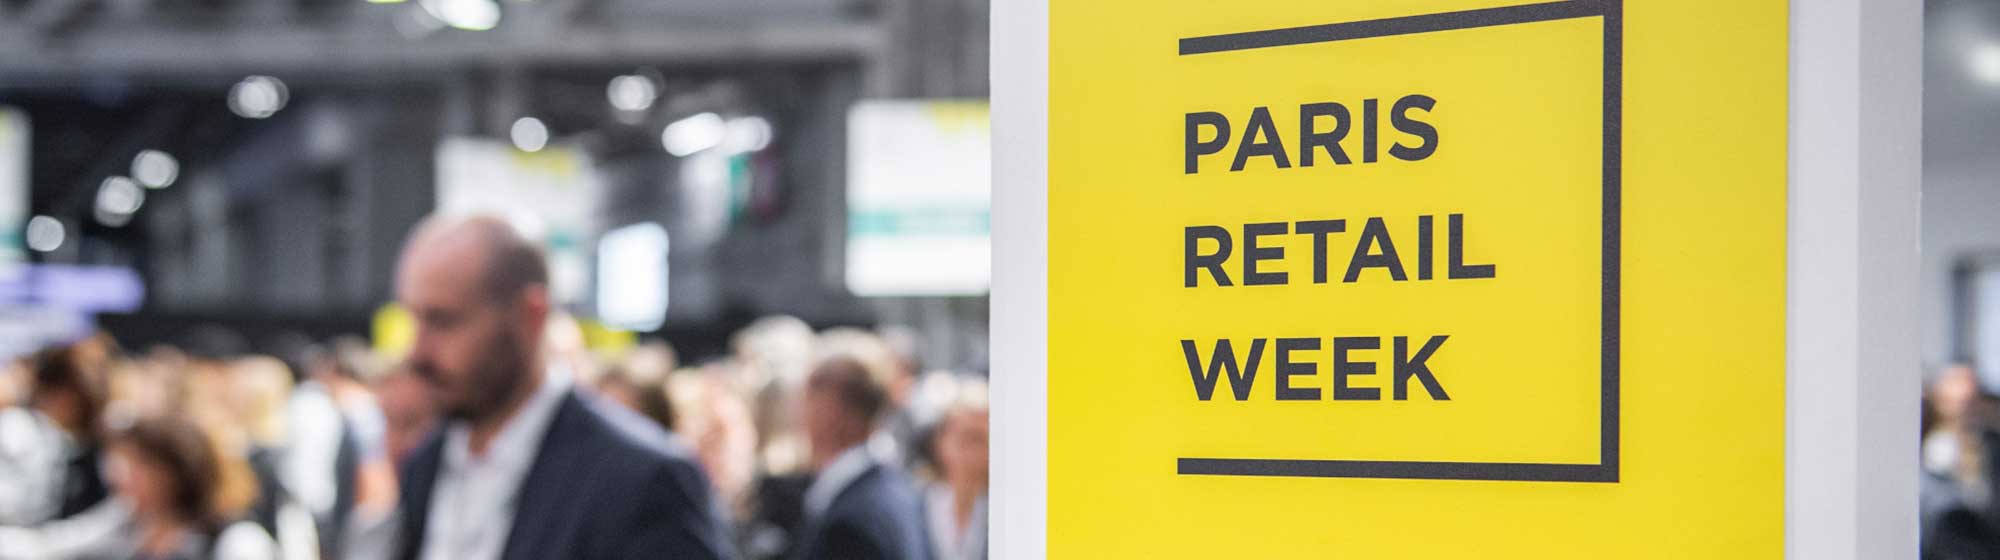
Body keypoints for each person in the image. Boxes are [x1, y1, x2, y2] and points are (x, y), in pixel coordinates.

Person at [390, 215, 730, 559]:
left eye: (443, 320)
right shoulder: (425, 464)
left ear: (529, 316)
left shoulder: (641, 481)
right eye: (414, 319)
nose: (418, 351)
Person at [792, 354, 927, 560]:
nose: (800, 415)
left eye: (808, 401)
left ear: (830, 412)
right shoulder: (896, 489)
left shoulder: (853, 518)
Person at [920, 378, 987, 560]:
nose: (974, 454)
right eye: (966, 439)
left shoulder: (1003, 511)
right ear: (941, 441)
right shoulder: (914, 506)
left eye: (983, 441)